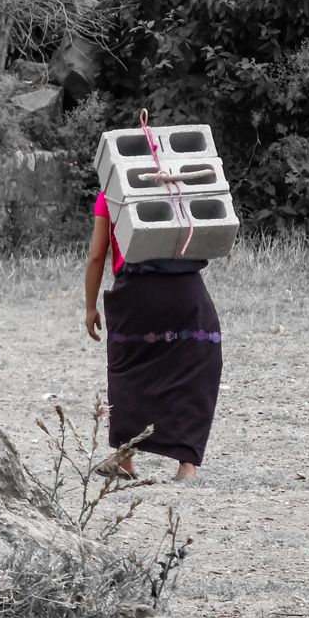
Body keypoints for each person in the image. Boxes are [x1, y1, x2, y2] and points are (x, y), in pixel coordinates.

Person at [84, 189, 222, 482]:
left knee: (128, 373)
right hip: (188, 292)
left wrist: (90, 307)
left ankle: (124, 458)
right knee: (191, 371)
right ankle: (187, 465)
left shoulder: (109, 196)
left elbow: (97, 256)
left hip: (137, 293)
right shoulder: (179, 188)